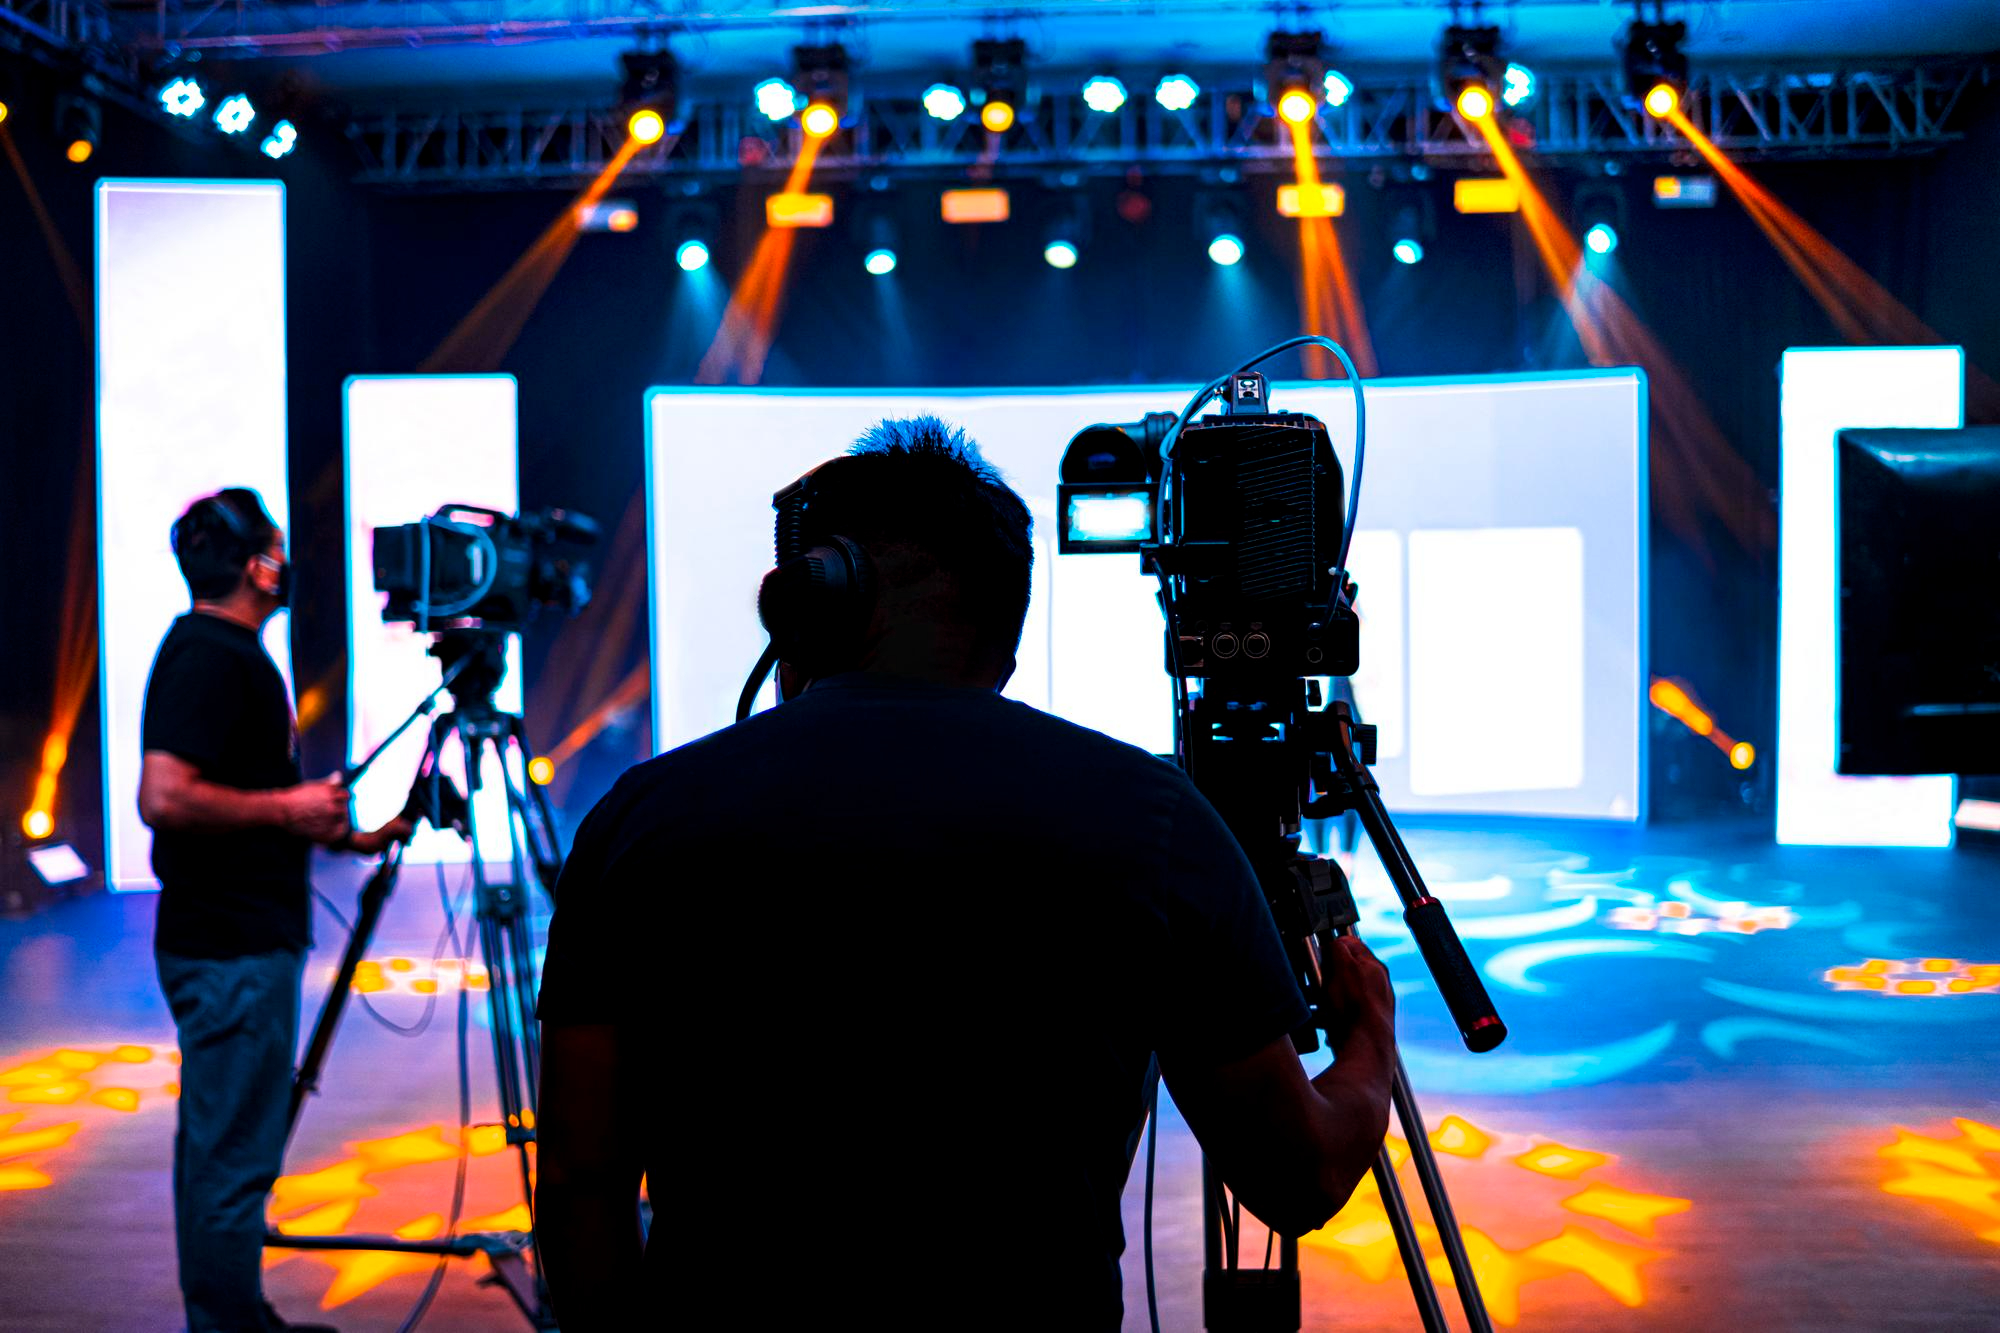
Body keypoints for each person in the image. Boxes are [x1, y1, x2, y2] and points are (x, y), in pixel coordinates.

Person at [533, 420, 1395, 1329]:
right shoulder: (1156, 820)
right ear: (1007, 642)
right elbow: (1297, 1177)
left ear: (816, 595)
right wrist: (1369, 1039)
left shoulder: (640, 820)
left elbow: (582, 1188)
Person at [139, 488, 411, 1333]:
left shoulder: (224, 653)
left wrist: (346, 833)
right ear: (256, 567)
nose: (287, 565)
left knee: (223, 1144)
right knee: (232, 1154)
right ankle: (227, 1325)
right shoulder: (209, 655)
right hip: (232, 949)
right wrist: (290, 807)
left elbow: (244, 799)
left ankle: (233, 1314)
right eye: (278, 550)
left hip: (235, 939)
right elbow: (164, 795)